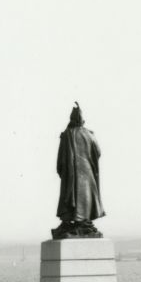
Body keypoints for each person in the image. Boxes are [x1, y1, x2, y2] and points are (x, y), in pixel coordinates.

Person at [53, 102, 104, 238]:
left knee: (72, 199)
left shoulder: (67, 135)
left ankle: (74, 225)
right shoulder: (90, 135)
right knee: (86, 200)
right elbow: (98, 153)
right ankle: (83, 224)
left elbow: (60, 163)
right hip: (88, 174)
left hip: (72, 175)